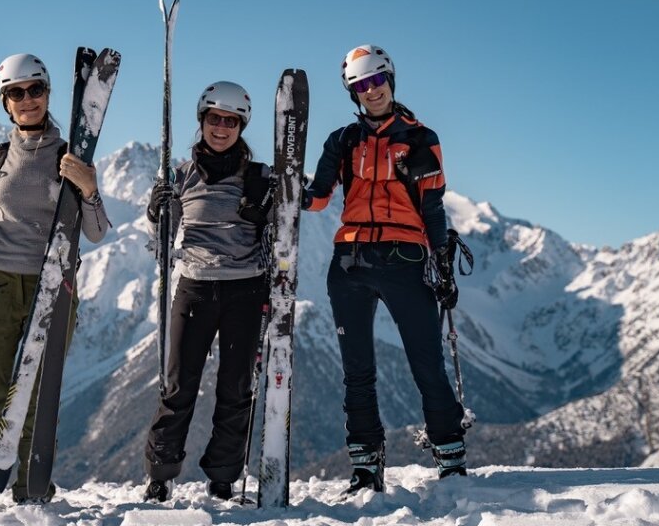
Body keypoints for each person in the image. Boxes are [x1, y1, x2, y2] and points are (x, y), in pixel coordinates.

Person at [0, 52, 109, 512]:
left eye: (35, 89)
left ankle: (32, 493)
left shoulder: (71, 156)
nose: (26, 99)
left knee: (39, 394)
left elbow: (96, 232)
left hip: (56, 284)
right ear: (5, 102)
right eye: (16, 93)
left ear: (48, 93)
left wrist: (89, 187)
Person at [302, 45, 466, 493]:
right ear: (352, 92)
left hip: (406, 258)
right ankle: (365, 465)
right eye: (360, 85)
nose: (371, 91)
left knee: (426, 362)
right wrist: (285, 189)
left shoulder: (419, 138)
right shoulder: (342, 140)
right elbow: (317, 198)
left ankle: (450, 456)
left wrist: (441, 265)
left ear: (390, 80)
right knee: (357, 370)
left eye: (377, 81)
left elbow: (432, 209)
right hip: (350, 261)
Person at [142, 81, 273, 502]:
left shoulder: (258, 177)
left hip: (245, 291)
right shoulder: (179, 175)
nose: (221, 128)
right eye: (214, 119)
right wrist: (155, 213)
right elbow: (158, 242)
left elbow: (288, 221)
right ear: (202, 122)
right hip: (194, 288)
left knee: (236, 388)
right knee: (178, 385)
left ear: (241, 126)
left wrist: (268, 205)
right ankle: (160, 475)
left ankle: (223, 476)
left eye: (231, 121)